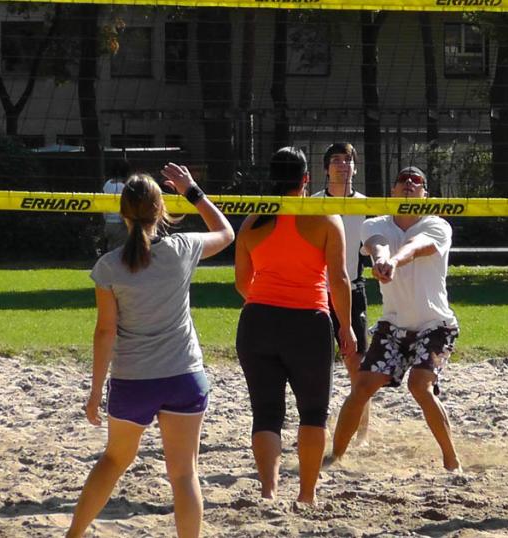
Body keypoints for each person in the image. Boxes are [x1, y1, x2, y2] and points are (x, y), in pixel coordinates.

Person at [68, 166, 235, 538]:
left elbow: (105, 332)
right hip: (183, 377)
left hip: (133, 382)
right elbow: (227, 233)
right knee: (184, 473)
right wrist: (192, 191)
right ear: (161, 211)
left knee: (113, 460)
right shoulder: (182, 249)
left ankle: (73, 535)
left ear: (123, 213)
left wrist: (96, 392)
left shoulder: (109, 266)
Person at [234, 147, 357, 504]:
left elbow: (243, 282)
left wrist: (268, 301)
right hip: (308, 323)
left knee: (266, 413)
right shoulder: (324, 217)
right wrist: (345, 326)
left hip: (257, 322)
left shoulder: (253, 219)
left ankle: (269, 492)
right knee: (313, 412)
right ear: (306, 179)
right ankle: (306, 495)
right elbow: (340, 279)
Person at [327, 166, 461, 472]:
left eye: (417, 182)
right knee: (361, 387)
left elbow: (417, 248)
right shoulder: (375, 223)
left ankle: (451, 460)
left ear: (426, 194)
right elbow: (377, 243)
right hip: (394, 327)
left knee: (420, 386)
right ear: (392, 191)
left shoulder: (438, 226)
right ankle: (334, 456)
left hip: (435, 325)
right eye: (403, 180)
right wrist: (381, 260)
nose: (410, 184)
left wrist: (393, 262)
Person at [312, 142, 372, 445]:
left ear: (355, 168)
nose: (342, 165)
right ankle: (315, 426)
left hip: (352, 289)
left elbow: (375, 243)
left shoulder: (365, 205)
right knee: (314, 364)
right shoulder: (312, 204)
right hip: (316, 291)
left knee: (357, 364)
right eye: (336, 160)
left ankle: (362, 431)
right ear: (326, 169)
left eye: (348, 160)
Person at [100, 159, 131, 253]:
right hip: (119, 224)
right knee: (119, 252)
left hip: (108, 224)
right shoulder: (123, 187)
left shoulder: (107, 184)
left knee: (110, 251)